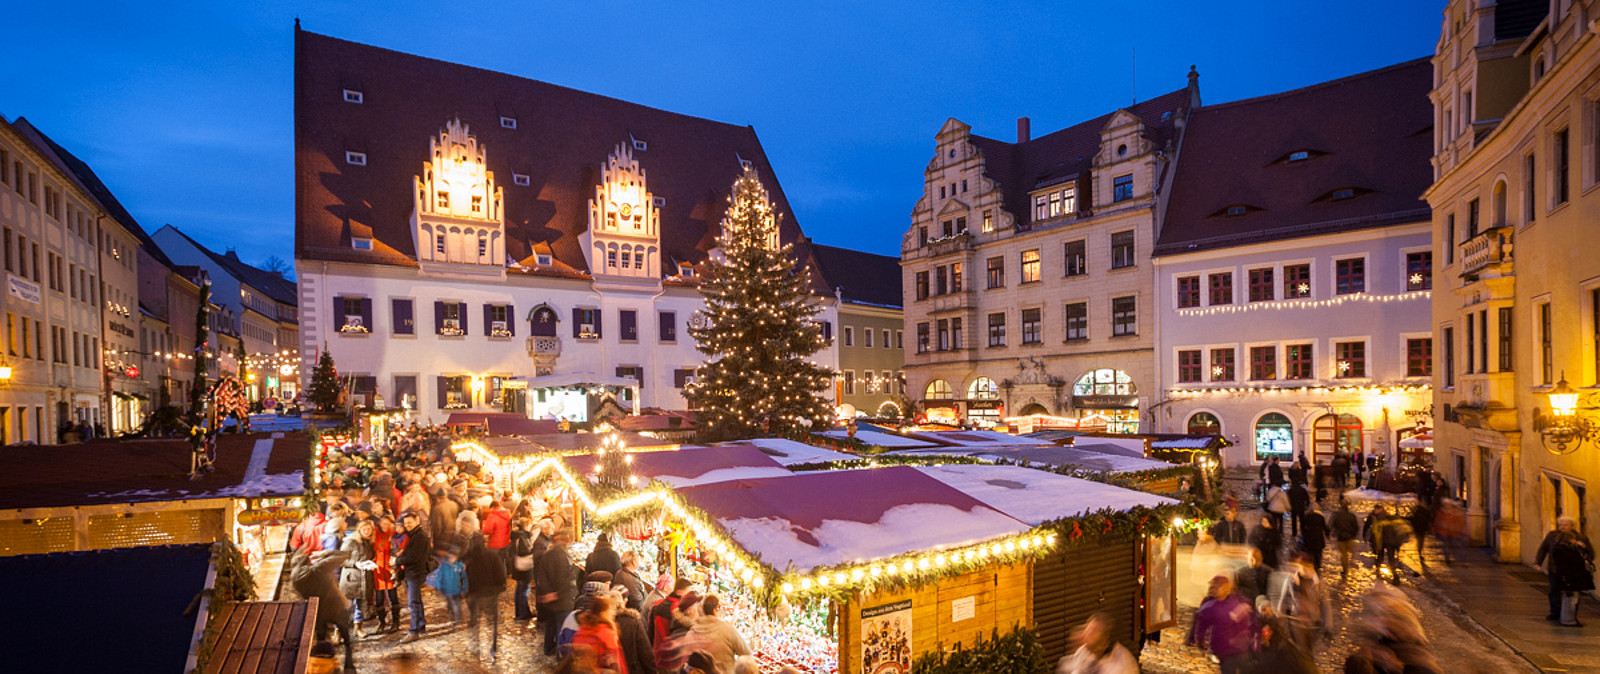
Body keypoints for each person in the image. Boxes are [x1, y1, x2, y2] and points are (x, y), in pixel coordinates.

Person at [291, 548, 356, 671]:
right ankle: (349, 666)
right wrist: (325, 553)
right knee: (347, 639)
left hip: (317, 611)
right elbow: (344, 554)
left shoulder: (295, 577)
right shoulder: (318, 569)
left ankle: (323, 668)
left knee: (321, 641)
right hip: (335, 607)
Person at [1189, 575, 1258, 674]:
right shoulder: (1209, 606)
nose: (1215, 589)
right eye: (1213, 586)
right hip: (1225, 651)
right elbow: (1200, 625)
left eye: (1218, 586)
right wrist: (1199, 641)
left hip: (1241, 649)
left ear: (1226, 588)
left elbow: (1249, 622)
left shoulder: (1237, 601)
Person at [1538, 515, 1596, 626]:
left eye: (1565, 525)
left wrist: (1584, 553)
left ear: (1571, 526)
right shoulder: (1553, 537)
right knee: (1556, 592)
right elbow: (1543, 549)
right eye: (1561, 525)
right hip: (1557, 570)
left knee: (1572, 596)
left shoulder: (1580, 538)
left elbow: (1589, 554)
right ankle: (1558, 613)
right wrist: (1538, 562)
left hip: (1573, 572)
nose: (1562, 527)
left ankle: (1568, 616)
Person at [463, 528, 507, 664]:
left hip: (473, 595)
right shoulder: (492, 555)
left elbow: (463, 577)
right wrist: (499, 588)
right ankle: (493, 649)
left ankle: (475, 649)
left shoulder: (467, 559)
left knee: (474, 622)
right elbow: (500, 575)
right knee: (492, 623)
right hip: (490, 595)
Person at [683, 594, 752, 674]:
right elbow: (747, 654)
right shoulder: (728, 630)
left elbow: (685, 660)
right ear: (714, 611)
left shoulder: (691, 632)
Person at [536, 531, 579, 656]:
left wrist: (548, 592)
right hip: (562, 599)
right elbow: (566, 581)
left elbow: (541, 576)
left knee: (550, 625)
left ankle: (548, 648)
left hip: (550, 599)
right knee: (562, 626)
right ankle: (561, 654)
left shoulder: (547, 555)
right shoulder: (564, 558)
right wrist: (557, 594)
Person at [395, 510, 433, 644]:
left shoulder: (419, 537)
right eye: (406, 523)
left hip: (415, 573)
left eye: (410, 522)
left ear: (417, 521)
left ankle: (414, 631)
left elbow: (413, 557)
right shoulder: (413, 534)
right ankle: (421, 624)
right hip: (413, 572)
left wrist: (396, 561)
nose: (407, 525)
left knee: (413, 602)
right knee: (417, 600)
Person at [1055, 612, 1136, 674]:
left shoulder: (1121, 666)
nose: (1087, 634)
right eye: (1087, 628)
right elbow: (1070, 667)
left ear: (1105, 641)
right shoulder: (1085, 651)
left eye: (1093, 631)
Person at [338, 519, 378, 639]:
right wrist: (355, 564)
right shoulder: (350, 542)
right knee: (346, 606)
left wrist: (370, 564)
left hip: (364, 578)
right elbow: (340, 559)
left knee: (361, 604)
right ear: (359, 529)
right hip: (351, 578)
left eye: (369, 529)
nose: (366, 531)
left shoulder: (369, 543)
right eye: (364, 529)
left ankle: (358, 628)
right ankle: (338, 632)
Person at [571, 595, 629, 674]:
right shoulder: (607, 633)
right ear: (603, 612)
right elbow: (617, 662)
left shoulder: (581, 630)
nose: (614, 613)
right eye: (611, 610)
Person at [371, 515, 401, 634]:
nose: (385, 525)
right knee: (379, 598)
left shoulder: (394, 535)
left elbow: (399, 550)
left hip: (390, 570)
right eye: (383, 523)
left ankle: (395, 622)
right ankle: (381, 622)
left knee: (393, 596)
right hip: (378, 570)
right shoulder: (374, 534)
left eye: (387, 523)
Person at [509, 516, 539, 623]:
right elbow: (524, 551)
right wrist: (532, 550)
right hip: (524, 566)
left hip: (517, 565)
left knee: (519, 589)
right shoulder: (524, 536)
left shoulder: (516, 534)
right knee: (524, 589)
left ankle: (519, 612)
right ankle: (523, 613)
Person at [1299, 504, 1327, 573]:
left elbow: (1302, 528)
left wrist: (1303, 536)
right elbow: (1324, 527)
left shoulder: (1306, 517)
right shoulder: (1320, 517)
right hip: (1319, 538)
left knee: (1310, 552)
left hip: (1309, 538)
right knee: (1318, 553)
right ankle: (1318, 565)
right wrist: (1327, 535)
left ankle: (1311, 565)